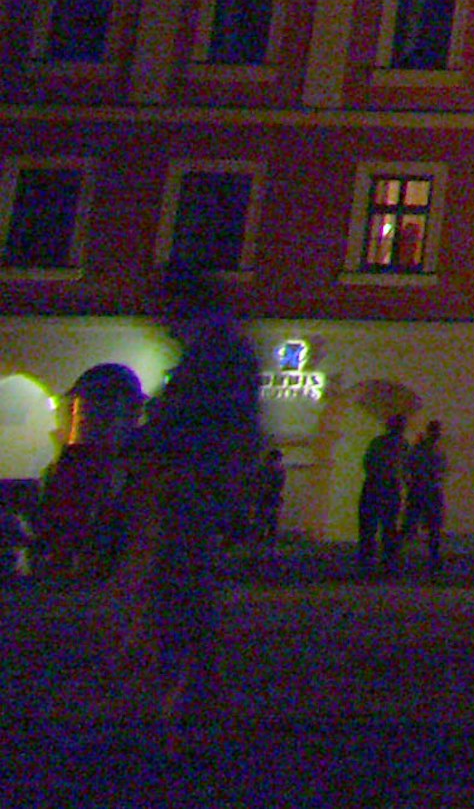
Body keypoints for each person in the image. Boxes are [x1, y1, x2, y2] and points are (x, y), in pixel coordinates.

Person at [111, 265, 260, 747]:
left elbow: (197, 425)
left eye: (163, 309)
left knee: (176, 593)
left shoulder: (215, 355)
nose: (158, 320)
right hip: (194, 489)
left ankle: (183, 703)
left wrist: (143, 438)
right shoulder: (220, 350)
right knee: (182, 595)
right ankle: (185, 698)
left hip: (187, 491)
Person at [357, 410, 410, 575]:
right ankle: (387, 560)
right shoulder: (402, 444)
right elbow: (405, 468)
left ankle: (368, 559)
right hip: (388, 486)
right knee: (388, 525)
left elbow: (368, 463)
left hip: (375, 484)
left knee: (370, 525)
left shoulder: (378, 442)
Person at [406, 419, 449, 576]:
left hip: (425, 488)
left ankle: (432, 557)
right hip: (425, 489)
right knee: (421, 524)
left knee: (430, 525)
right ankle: (429, 558)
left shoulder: (424, 449)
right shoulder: (428, 450)